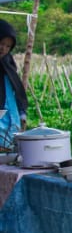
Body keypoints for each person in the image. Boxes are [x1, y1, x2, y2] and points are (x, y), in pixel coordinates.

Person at [0, 19, 29, 147]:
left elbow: (16, 90)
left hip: (12, 118)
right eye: (1, 43)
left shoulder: (8, 62)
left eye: (8, 46)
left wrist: (22, 112)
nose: (3, 49)